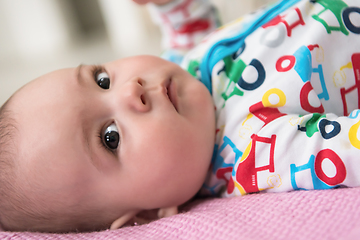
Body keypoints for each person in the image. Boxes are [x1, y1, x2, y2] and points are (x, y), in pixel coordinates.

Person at [0, 0, 360, 233]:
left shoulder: (179, 69)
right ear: (148, 215)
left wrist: (172, 6)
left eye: (102, 79)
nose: (130, 90)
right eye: (111, 137)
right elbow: (346, 148)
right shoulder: (257, 151)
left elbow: (191, 29)